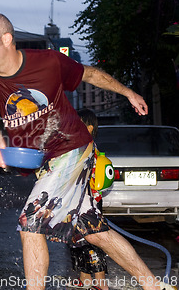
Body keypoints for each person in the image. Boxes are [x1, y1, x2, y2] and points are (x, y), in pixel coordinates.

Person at [0, 12, 172, 290]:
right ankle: (154, 285)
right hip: (48, 160)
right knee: (95, 232)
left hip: (72, 148)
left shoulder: (49, 62)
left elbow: (91, 73)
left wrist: (128, 93)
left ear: (6, 39)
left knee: (31, 223)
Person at [69, 108, 108, 290]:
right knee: (77, 243)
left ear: (89, 128)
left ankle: (100, 283)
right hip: (76, 204)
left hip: (88, 205)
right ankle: (84, 279)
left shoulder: (89, 148)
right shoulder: (77, 146)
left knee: (93, 243)